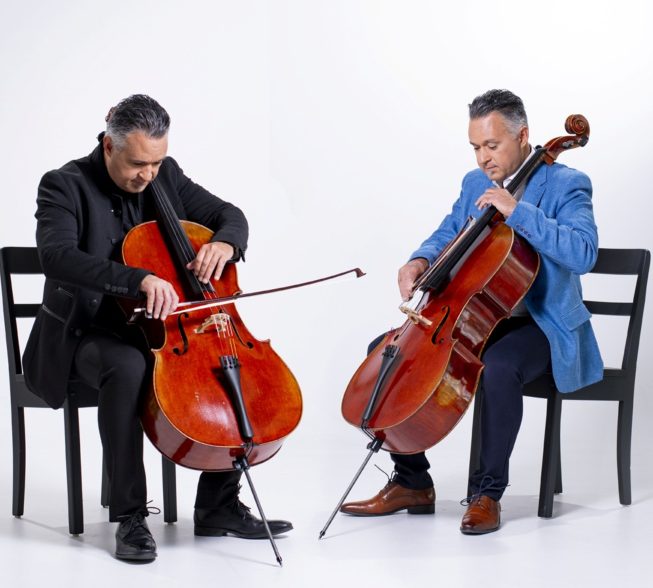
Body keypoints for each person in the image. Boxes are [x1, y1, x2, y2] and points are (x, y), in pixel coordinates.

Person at [22, 94, 292, 561]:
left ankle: (218, 506)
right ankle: (130, 516)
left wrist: (226, 244)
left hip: (162, 331)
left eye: (156, 162)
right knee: (127, 366)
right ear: (109, 146)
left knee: (225, 369)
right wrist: (138, 279)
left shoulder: (165, 176)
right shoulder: (64, 185)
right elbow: (57, 257)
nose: (148, 174)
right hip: (87, 333)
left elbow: (230, 215)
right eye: (137, 164)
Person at [340, 89, 603, 534]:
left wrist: (518, 212)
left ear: (523, 135)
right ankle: (412, 482)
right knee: (386, 352)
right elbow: (448, 233)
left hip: (541, 324)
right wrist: (419, 261)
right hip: (477, 316)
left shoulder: (567, 183)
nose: (483, 158)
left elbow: (584, 253)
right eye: (476, 147)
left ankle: (487, 494)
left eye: (492, 145)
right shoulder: (474, 183)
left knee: (498, 367)